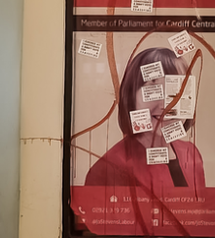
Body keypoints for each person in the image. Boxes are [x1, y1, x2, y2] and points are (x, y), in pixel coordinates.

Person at [85, 48, 206, 190]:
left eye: (176, 91)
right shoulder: (108, 169)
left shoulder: (191, 154)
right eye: (152, 89)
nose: (165, 105)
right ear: (130, 97)